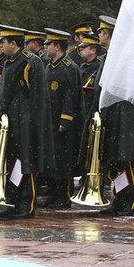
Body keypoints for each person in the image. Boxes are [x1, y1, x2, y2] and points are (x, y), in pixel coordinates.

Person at [91, 16, 134, 216]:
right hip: (113, 115)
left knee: (127, 159)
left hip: (125, 116)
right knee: (116, 162)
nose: (99, 35)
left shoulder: (126, 56)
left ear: (109, 34)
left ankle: (131, 201)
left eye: (101, 32)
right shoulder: (111, 55)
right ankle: (120, 198)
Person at [0, 25, 52, 219]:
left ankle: (26, 204)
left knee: (26, 162)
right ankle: (14, 201)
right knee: (13, 162)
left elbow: (36, 96)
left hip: (26, 122)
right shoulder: (10, 61)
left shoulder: (29, 62)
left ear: (13, 43)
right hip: (12, 120)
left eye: (3, 41)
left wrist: (33, 124)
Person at [43, 28, 84, 209]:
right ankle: (53, 193)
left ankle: (64, 195)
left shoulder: (68, 67)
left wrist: (64, 120)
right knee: (52, 160)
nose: (45, 47)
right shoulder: (50, 66)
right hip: (49, 120)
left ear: (57, 46)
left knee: (63, 160)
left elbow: (71, 96)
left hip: (62, 122)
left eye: (48, 44)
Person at [77, 33, 101, 114]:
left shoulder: (99, 67)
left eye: (83, 47)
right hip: (81, 109)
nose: (80, 49)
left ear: (93, 50)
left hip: (91, 109)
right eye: (80, 47)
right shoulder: (83, 66)